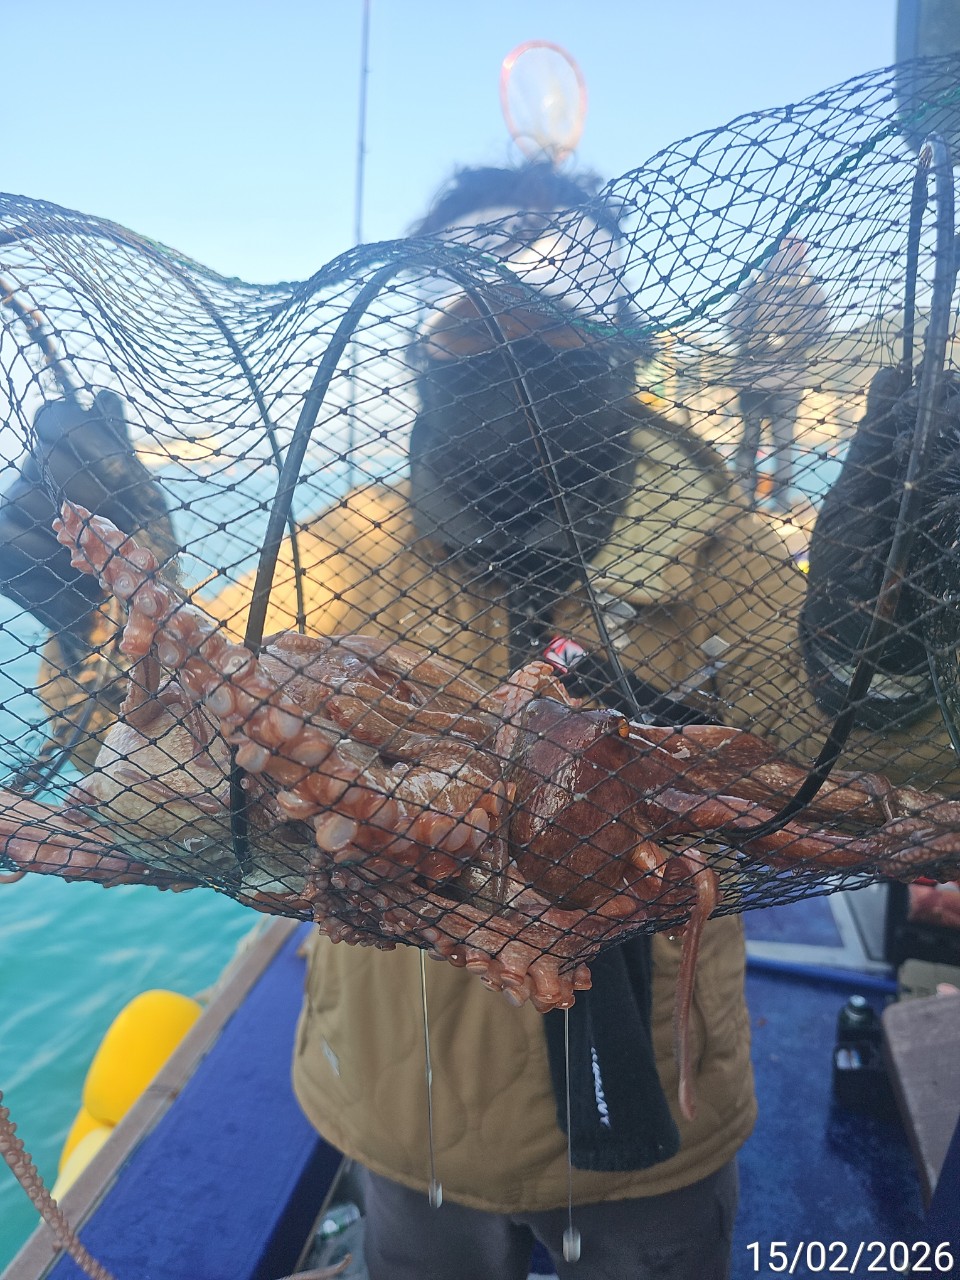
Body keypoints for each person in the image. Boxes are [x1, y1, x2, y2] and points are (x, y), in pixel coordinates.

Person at [3, 164, 959, 1279]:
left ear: (618, 349)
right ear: (425, 350)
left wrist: (878, 672)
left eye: (556, 329)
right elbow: (155, 752)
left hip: (661, 1132)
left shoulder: (724, 556)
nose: (517, 354)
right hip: (402, 1112)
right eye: (476, 324)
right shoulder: (339, 552)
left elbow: (883, 787)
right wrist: (98, 621)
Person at [728, 235, 831, 511]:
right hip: (790, 379)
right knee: (784, 446)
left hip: (752, 377)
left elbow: (733, 324)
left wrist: (757, 343)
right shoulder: (808, 286)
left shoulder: (756, 282)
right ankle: (782, 506)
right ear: (801, 253)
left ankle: (743, 504)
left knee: (749, 442)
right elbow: (821, 329)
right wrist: (789, 345)